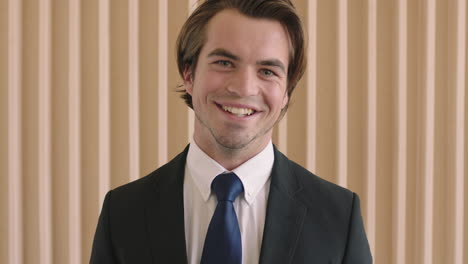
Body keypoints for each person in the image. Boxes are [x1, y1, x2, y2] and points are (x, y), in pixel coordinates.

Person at [90, 0, 373, 263]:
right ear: (189, 74)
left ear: (287, 90)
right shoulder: (123, 213)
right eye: (224, 63)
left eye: (267, 71)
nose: (244, 88)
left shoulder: (338, 218)